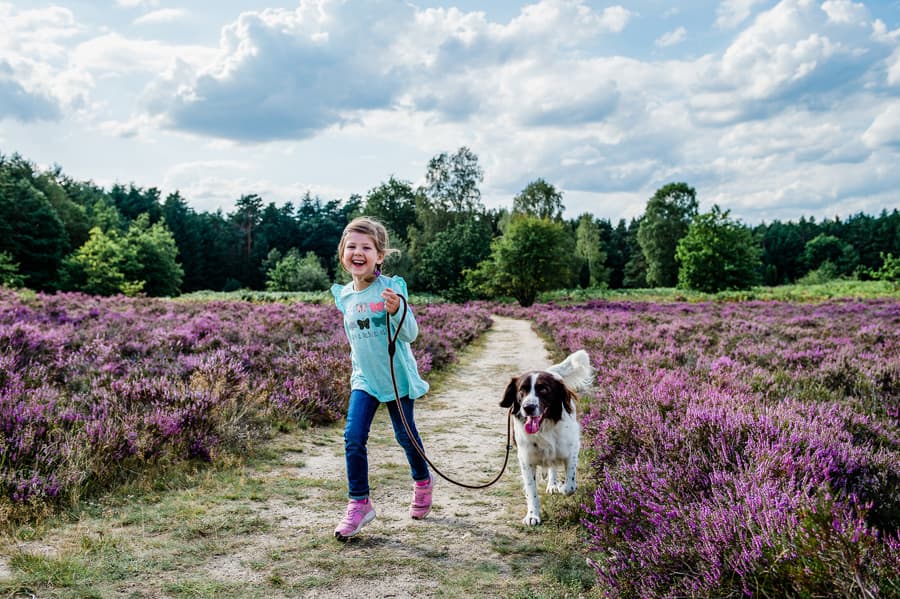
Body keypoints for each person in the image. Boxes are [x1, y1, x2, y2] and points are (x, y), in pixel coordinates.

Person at [330, 216, 433, 541]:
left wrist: (397, 310)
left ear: (380, 255)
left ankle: (422, 481)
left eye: (366, 247)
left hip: (397, 380)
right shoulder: (345, 296)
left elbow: (411, 334)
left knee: (406, 437)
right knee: (353, 437)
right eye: (351, 247)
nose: (358, 253)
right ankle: (359, 503)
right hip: (364, 381)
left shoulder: (391, 288)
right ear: (342, 253)